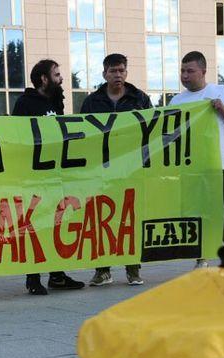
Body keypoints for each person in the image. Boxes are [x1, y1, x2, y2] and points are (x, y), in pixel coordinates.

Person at [172, 51, 224, 280]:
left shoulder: (220, 92)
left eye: (190, 71)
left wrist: (222, 109)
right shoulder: (176, 101)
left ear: (203, 71)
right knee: (196, 217)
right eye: (182, 71)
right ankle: (202, 259)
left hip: (219, 167)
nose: (185, 76)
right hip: (190, 169)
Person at [10, 60, 85, 295]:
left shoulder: (56, 101)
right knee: (35, 225)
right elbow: (18, 138)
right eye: (57, 74)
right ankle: (33, 277)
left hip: (55, 174)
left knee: (56, 223)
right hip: (34, 176)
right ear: (43, 78)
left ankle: (57, 275)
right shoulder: (25, 104)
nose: (61, 78)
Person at [79, 54, 152, 288]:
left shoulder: (140, 99)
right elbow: (81, 133)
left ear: (126, 73)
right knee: (101, 218)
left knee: (130, 216)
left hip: (131, 169)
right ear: (104, 74)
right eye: (113, 71)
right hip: (102, 169)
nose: (117, 75)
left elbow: (152, 130)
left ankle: (132, 269)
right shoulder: (92, 102)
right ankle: (103, 270)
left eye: (121, 70)